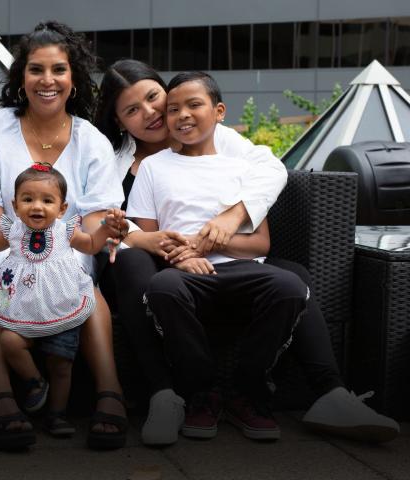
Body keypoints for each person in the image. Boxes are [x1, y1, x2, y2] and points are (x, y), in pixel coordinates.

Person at [95, 60, 400, 445]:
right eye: (133, 110)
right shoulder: (123, 161)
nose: (153, 113)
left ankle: (328, 392)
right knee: (135, 264)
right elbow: (108, 221)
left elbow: (270, 173)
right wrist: (157, 244)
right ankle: (164, 393)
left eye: (156, 98)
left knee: (294, 279)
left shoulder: (222, 147)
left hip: (223, 257)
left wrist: (232, 216)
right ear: (121, 122)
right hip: (145, 259)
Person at [0, 21, 128, 450]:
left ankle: (111, 391)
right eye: (36, 70)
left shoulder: (91, 141)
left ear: (74, 78)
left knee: (76, 271)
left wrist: (98, 232)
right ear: (22, 77)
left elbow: (93, 222)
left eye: (58, 70)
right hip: (7, 242)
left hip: (69, 244)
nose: (47, 80)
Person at [0, 164, 126, 436]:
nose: (37, 206)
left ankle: (57, 415)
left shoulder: (65, 230)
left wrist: (108, 228)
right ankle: (35, 381)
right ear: (14, 205)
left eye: (47, 201)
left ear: (61, 208)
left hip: (60, 303)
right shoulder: (13, 230)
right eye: (28, 199)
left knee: (61, 365)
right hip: (21, 304)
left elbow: (92, 245)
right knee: (9, 341)